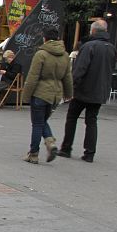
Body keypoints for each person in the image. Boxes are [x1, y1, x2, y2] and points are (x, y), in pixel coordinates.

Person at [57, 20, 117, 163]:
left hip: (84, 90)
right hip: (100, 90)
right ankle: (89, 153)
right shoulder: (111, 48)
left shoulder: (89, 46)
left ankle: (66, 148)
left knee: (72, 117)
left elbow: (79, 70)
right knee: (92, 120)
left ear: (93, 31)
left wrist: (70, 88)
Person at [21, 27, 72, 164]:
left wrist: (25, 96)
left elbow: (33, 77)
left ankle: (34, 153)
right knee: (42, 121)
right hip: (55, 94)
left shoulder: (41, 54)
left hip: (40, 92)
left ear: (44, 38)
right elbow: (67, 77)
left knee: (37, 123)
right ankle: (50, 142)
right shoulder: (65, 55)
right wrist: (68, 94)